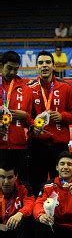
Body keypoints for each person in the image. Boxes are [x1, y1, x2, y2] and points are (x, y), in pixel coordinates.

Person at [27, 50, 72, 196]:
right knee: (36, 185)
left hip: (59, 147)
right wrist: (32, 126)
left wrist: (62, 116)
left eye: (48, 62)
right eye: (41, 63)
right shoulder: (30, 88)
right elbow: (27, 117)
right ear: (36, 67)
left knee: (60, 186)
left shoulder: (65, 88)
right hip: (37, 145)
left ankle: (60, 215)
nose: (44, 66)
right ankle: (37, 217)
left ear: (53, 66)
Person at [0, 51, 32, 182]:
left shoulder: (25, 88)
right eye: (9, 68)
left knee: (21, 186)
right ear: (1, 66)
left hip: (19, 147)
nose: (13, 72)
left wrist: (25, 116)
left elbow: (31, 121)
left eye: (16, 69)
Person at [0, 162, 35, 238]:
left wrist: (20, 213)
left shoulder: (24, 187)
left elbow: (30, 203)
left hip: (16, 235)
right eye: (2, 177)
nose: (6, 182)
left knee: (27, 221)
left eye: (10, 177)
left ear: (16, 177)